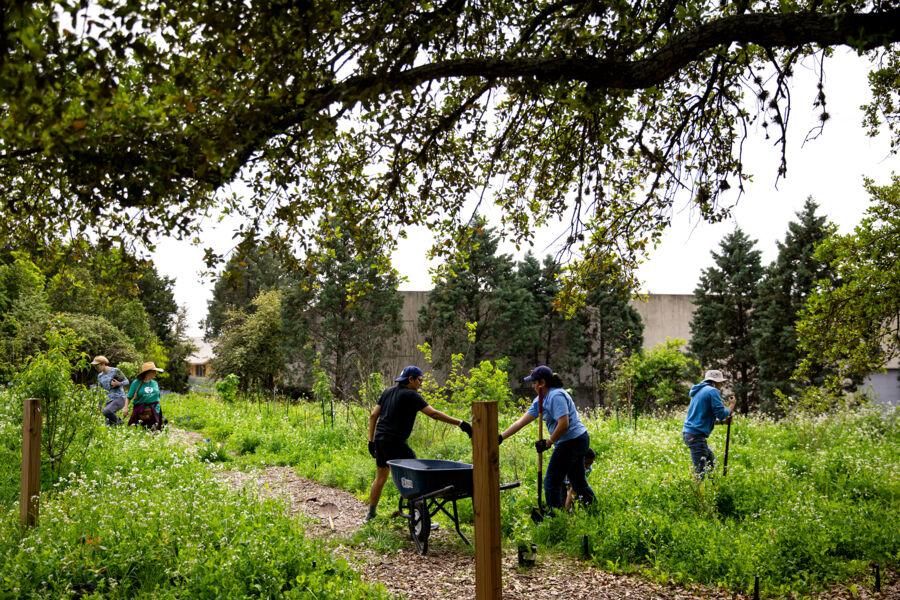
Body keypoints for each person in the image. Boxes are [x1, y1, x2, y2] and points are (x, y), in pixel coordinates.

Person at [365, 365, 473, 522]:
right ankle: (420, 518)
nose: (421, 383)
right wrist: (461, 423)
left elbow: (373, 415)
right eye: (420, 380)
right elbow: (433, 413)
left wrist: (371, 441)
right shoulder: (411, 395)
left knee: (381, 477)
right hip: (396, 442)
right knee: (415, 478)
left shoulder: (388, 392)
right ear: (411, 379)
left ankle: (370, 514)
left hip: (381, 440)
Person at [499, 365, 596, 511]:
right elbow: (520, 422)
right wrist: (500, 437)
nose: (532, 386)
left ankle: (555, 517)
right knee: (578, 481)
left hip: (573, 441)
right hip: (573, 441)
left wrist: (549, 442)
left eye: (534, 382)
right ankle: (593, 509)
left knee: (551, 481)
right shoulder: (540, 400)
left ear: (542, 383)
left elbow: (564, 424)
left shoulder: (556, 396)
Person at [682, 369, 736, 479]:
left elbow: (702, 418)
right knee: (700, 472)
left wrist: (723, 423)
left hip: (690, 434)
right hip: (696, 436)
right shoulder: (712, 391)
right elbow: (721, 413)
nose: (722, 384)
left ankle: (712, 489)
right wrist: (731, 406)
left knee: (711, 464)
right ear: (716, 382)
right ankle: (697, 494)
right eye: (721, 382)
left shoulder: (698, 391)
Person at [126, 361, 165, 430]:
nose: (155, 373)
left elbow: (157, 397)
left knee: (155, 430)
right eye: (154, 371)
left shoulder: (155, 383)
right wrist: (125, 408)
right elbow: (129, 397)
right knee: (137, 429)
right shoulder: (136, 383)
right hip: (140, 410)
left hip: (155, 410)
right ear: (147, 372)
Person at [91, 355, 130, 426]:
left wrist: (118, 383)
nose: (95, 368)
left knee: (106, 411)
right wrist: (99, 405)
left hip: (119, 398)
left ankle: (120, 423)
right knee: (109, 424)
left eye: (97, 366)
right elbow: (101, 391)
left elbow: (127, 381)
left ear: (103, 364)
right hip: (108, 400)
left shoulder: (115, 371)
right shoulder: (99, 376)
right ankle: (120, 426)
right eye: (94, 366)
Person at [564, 447, 595, 511]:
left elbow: (579, 484)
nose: (588, 467)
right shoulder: (570, 466)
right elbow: (569, 487)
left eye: (590, 464)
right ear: (580, 461)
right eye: (586, 464)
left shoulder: (588, 469)